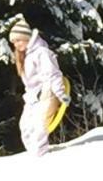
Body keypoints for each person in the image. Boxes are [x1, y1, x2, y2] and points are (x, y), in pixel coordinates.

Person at [8, 15, 69, 157]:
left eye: (18, 40)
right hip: (33, 97)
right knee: (25, 127)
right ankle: (33, 155)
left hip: (47, 93)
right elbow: (29, 84)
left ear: (27, 37)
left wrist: (61, 94)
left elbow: (53, 74)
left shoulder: (42, 52)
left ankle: (40, 156)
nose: (16, 44)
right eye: (14, 42)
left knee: (39, 127)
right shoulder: (24, 56)